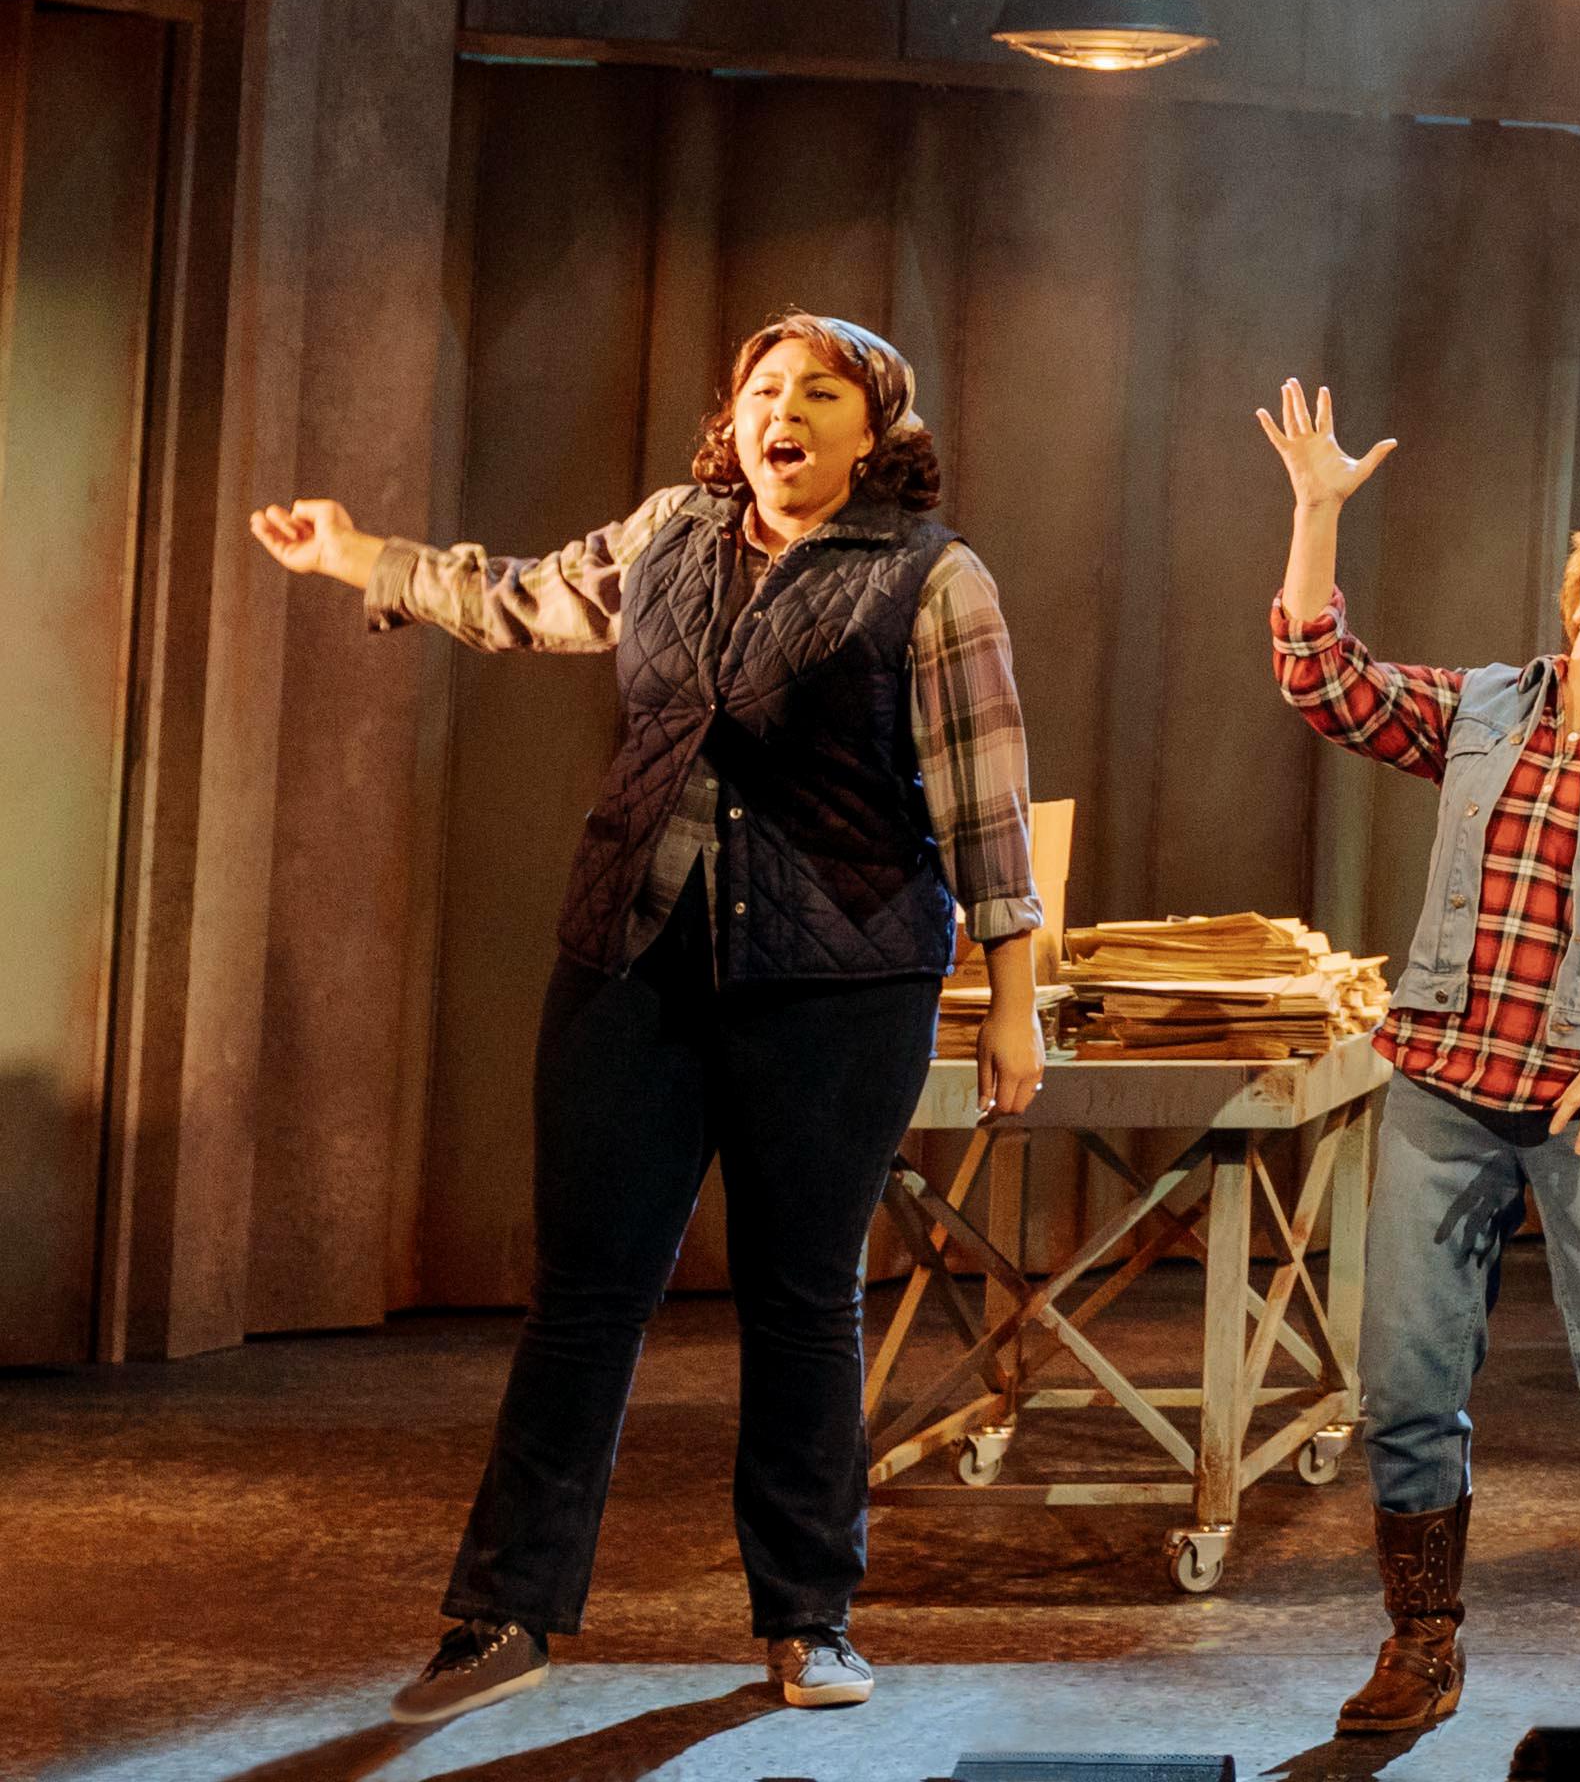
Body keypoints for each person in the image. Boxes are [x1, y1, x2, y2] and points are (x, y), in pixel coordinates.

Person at [251, 312, 1047, 1724]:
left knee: (803, 1300)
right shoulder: (672, 529)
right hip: (636, 954)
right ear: (732, 419)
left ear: (877, 435)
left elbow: (983, 795)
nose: (781, 411)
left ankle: (811, 1620)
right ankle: (504, 1618)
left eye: (818, 393)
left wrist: (1011, 1003)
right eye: (761, 390)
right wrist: (361, 555)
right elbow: (521, 598)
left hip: (840, 980)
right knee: (585, 1297)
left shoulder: (935, 578)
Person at [1259, 386, 1580, 1737]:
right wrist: (1316, 513)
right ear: (1579, 580)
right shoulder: (1486, 706)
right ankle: (1420, 1648)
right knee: (1409, 1379)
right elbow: (1326, 680)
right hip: (1443, 1083)